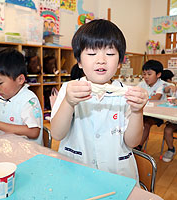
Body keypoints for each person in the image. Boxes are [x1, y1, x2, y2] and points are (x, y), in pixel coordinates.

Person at [50, 19, 148, 182]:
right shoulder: (69, 89)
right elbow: (57, 134)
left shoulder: (128, 94)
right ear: (80, 62)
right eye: (91, 53)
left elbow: (133, 142)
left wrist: (138, 111)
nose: (101, 60)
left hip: (117, 172)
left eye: (110, 54)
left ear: (119, 62)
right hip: (76, 170)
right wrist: (68, 102)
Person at [135, 60, 174, 151]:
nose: (146, 77)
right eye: (144, 74)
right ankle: (132, 142)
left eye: (149, 74)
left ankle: (138, 147)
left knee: (146, 123)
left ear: (158, 75)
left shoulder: (162, 84)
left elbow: (157, 97)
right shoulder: (142, 84)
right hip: (144, 112)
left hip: (158, 115)